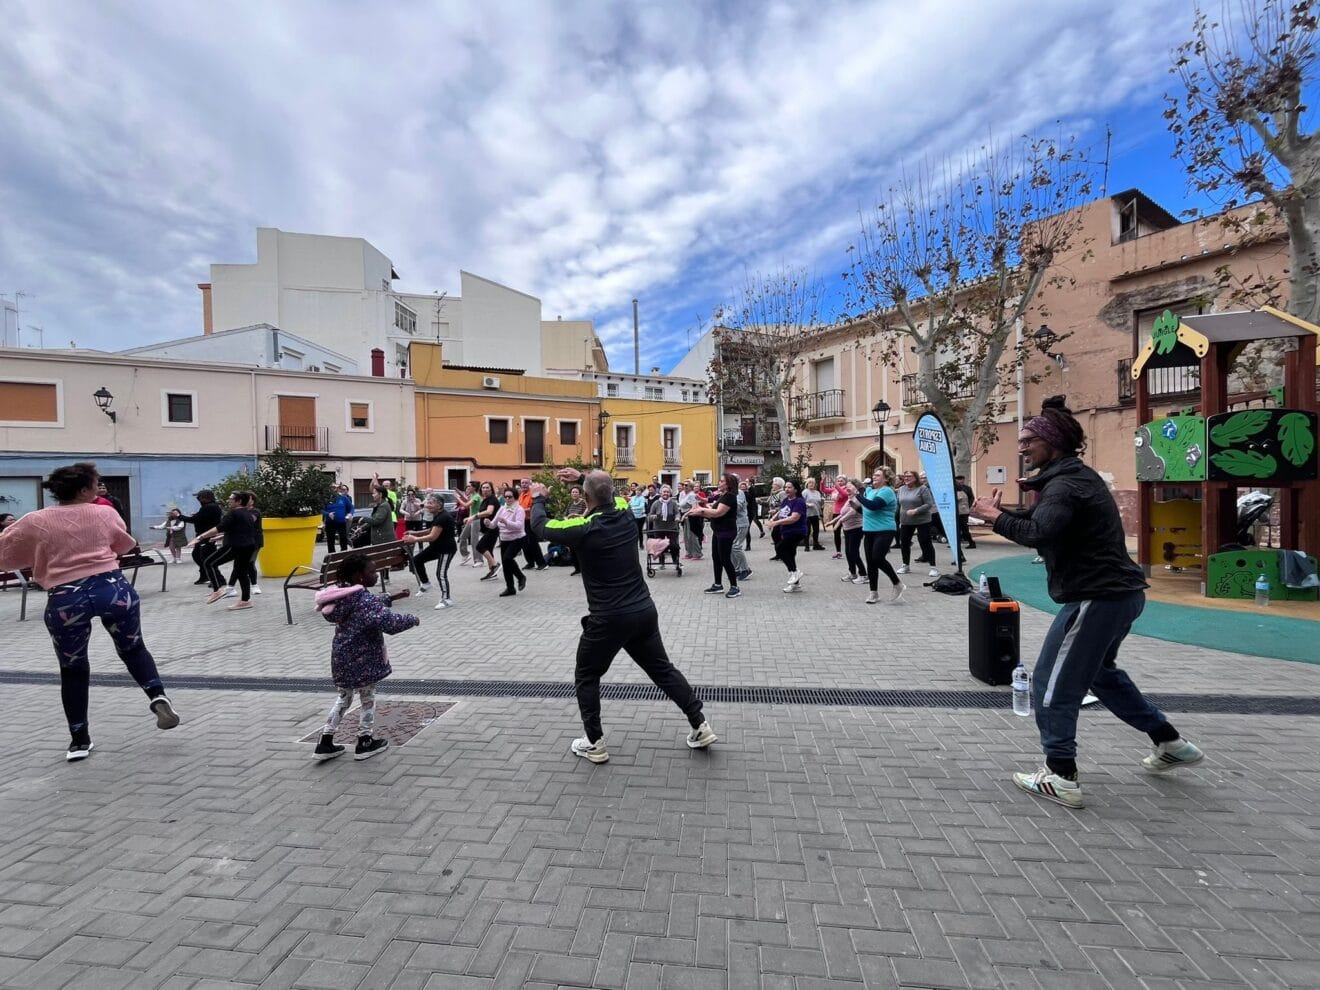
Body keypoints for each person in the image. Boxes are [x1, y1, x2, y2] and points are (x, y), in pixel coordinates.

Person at [972, 396, 1204, 810]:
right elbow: (1047, 523)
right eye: (1021, 440)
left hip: (1098, 598)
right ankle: (1170, 743)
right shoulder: (1072, 479)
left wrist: (995, 518)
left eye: (1029, 441)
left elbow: (1039, 532)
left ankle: (1061, 774)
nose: (1021, 446)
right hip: (1116, 595)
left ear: (1053, 442)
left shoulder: (1064, 485)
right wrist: (999, 511)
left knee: (1051, 682)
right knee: (1102, 676)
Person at [529, 468, 716, 763]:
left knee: (587, 675)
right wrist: (584, 479)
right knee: (662, 670)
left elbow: (541, 527)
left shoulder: (583, 527)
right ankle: (700, 724)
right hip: (642, 611)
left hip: (608, 619)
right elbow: (607, 495)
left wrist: (538, 498)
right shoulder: (626, 512)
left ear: (587, 497)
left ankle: (594, 742)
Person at [0, 461, 180, 761]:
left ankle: (79, 740)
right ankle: (157, 695)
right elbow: (125, 545)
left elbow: (6, 554)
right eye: (96, 485)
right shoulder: (105, 512)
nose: (99, 489)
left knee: (73, 668)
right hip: (112, 589)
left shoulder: (36, 519)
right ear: (84, 489)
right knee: (133, 648)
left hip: (67, 598)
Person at [310, 553, 419, 762]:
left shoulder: (342, 596)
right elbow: (389, 622)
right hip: (363, 658)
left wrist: (391, 597)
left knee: (344, 698)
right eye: (372, 572)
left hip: (341, 657)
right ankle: (365, 741)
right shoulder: (364, 600)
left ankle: (325, 741)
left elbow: (367, 607)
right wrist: (412, 619)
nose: (376, 575)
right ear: (359, 576)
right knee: (367, 698)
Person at [190, 490, 260, 610]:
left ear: (238, 501)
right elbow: (239, 529)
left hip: (235, 546)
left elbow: (219, 527)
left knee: (209, 563)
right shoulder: (247, 513)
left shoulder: (233, 513)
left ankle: (218, 589)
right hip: (248, 546)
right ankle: (245, 601)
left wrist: (200, 537)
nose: (228, 500)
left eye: (231, 499)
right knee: (242, 573)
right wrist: (220, 537)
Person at [855, 467, 905, 604]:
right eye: (874, 475)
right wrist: (855, 506)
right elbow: (866, 510)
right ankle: (873, 593)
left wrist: (857, 495)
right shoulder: (870, 490)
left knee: (877, 558)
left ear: (886, 478)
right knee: (870, 562)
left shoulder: (887, 491)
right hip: (869, 530)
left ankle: (897, 583)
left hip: (884, 530)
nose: (874, 477)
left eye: (878, 475)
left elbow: (874, 506)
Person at [688, 472, 741, 598]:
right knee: (716, 558)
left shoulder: (730, 496)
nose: (719, 483)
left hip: (726, 532)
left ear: (728, 484)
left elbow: (717, 513)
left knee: (725, 559)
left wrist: (701, 511)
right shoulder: (723, 495)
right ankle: (718, 585)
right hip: (718, 531)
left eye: (722, 481)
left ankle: (735, 587)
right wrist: (701, 512)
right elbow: (712, 512)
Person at [404, 495, 457, 608]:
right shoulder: (437, 515)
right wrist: (415, 533)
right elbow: (431, 529)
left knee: (441, 574)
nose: (428, 505)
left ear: (439, 505)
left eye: (431, 503)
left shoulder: (443, 517)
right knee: (417, 560)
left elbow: (432, 536)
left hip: (446, 549)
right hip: (436, 547)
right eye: (427, 502)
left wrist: (415, 539)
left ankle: (446, 599)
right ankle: (426, 583)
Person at [766, 479, 807, 592]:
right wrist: (773, 518)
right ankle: (796, 584)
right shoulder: (786, 500)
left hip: (796, 531)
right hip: (786, 532)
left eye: (789, 487)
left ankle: (795, 572)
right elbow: (781, 511)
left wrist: (776, 523)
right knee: (790, 554)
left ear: (796, 489)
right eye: (786, 487)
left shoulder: (799, 502)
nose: (787, 489)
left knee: (780, 549)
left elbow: (794, 518)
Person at [896, 470, 939, 578]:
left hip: (922, 520)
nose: (906, 478)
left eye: (909, 476)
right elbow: (898, 504)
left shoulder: (923, 489)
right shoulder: (901, 489)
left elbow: (929, 504)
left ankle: (933, 567)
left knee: (924, 541)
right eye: (905, 476)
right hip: (906, 520)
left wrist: (916, 510)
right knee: (904, 542)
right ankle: (905, 565)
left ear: (915, 478)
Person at [182, 489, 223, 585]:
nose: (198, 499)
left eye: (199, 497)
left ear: (205, 498)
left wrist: (179, 516)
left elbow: (195, 520)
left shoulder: (209, 507)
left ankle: (219, 579)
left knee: (207, 557)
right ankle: (204, 575)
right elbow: (201, 518)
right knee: (197, 555)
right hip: (202, 535)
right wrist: (197, 515)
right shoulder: (207, 507)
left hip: (207, 535)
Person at [828, 481, 865, 584]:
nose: (847, 488)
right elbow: (843, 512)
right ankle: (853, 573)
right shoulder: (849, 499)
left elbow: (852, 513)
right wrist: (833, 520)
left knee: (854, 552)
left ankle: (863, 574)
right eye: (847, 486)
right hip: (848, 529)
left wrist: (840, 521)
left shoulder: (857, 499)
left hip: (856, 529)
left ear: (856, 488)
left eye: (850, 486)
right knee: (848, 552)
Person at [494, 487, 528, 597]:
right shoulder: (502, 508)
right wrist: (487, 523)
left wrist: (506, 522)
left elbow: (519, 526)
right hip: (504, 539)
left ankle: (521, 577)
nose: (508, 499)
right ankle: (510, 588)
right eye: (506, 497)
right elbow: (494, 523)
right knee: (505, 564)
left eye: (510, 497)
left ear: (515, 497)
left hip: (518, 538)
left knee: (507, 558)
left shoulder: (519, 509)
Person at [645, 485, 682, 574]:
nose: (665, 493)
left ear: (670, 493)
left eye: (667, 492)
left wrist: (677, 518)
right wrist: (652, 517)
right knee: (660, 546)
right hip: (658, 528)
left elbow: (677, 513)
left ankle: (675, 560)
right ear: (661, 493)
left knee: (673, 545)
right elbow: (650, 515)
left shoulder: (673, 503)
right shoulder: (656, 503)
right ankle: (662, 563)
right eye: (664, 492)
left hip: (671, 528)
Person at [472, 481, 501, 579]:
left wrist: (474, 517)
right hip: (487, 530)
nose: (485, 489)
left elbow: (489, 512)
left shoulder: (492, 499)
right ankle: (492, 573)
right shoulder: (485, 499)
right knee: (488, 550)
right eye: (483, 488)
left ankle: (495, 565)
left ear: (491, 489)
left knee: (480, 546)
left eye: (487, 487)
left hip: (492, 529)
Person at [517, 479, 548, 570]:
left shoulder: (533, 494)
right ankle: (530, 563)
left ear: (530, 484)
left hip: (531, 521)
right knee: (524, 543)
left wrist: (521, 510)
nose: (524, 484)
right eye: (522, 483)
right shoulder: (521, 495)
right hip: (522, 521)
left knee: (533, 543)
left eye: (526, 483)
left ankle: (542, 563)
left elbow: (534, 507)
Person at [323, 485, 354, 554]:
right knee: (330, 542)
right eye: (332, 488)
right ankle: (332, 558)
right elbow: (321, 510)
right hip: (330, 523)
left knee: (343, 540)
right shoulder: (326, 499)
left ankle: (344, 556)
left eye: (336, 488)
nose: (335, 489)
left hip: (341, 523)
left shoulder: (343, 498)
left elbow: (351, 508)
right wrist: (328, 514)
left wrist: (350, 514)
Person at [565, 485, 588, 575]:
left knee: (581, 549)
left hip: (580, 527)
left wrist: (575, 515)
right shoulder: (570, 503)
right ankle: (577, 568)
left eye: (576, 492)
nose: (574, 494)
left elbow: (585, 514)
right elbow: (565, 515)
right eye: (573, 492)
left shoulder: (583, 503)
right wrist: (567, 519)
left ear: (580, 494)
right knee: (572, 550)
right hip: (571, 527)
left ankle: (584, 568)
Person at [731, 480, 751, 580]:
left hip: (741, 523)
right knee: (731, 547)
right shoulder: (728, 493)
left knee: (736, 546)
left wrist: (725, 506)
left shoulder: (739, 493)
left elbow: (737, 507)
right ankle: (737, 569)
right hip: (733, 524)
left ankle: (745, 569)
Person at [955, 474, 977, 550]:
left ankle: (971, 542)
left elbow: (971, 498)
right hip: (960, 512)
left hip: (962, 513)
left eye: (961, 480)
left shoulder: (964, 491)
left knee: (964, 529)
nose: (960, 481)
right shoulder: (958, 491)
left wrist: (969, 505)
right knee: (957, 529)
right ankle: (957, 543)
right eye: (958, 480)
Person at [802, 477, 825, 551]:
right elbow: (801, 503)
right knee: (807, 530)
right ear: (807, 484)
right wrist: (807, 504)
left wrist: (822, 502)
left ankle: (816, 545)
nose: (811, 484)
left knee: (816, 530)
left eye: (813, 483)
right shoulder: (805, 492)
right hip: (807, 514)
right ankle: (806, 546)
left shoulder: (817, 492)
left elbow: (819, 502)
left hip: (816, 513)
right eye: (810, 483)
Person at [830, 477, 850, 559]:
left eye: (841, 480)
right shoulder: (834, 489)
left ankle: (849, 551)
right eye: (838, 481)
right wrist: (823, 480)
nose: (839, 482)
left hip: (845, 513)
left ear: (845, 481)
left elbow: (844, 494)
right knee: (836, 533)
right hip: (836, 513)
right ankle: (838, 552)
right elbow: (823, 489)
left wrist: (836, 484)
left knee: (847, 532)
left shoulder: (847, 489)